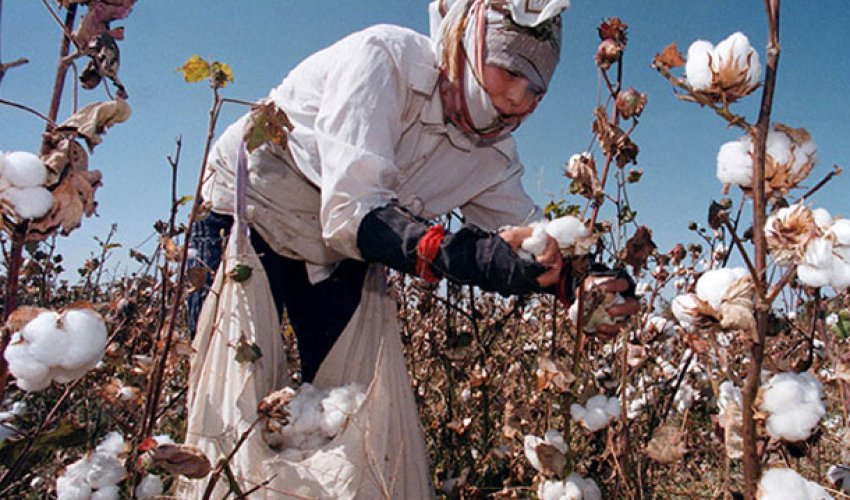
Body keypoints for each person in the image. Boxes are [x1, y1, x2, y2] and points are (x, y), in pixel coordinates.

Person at [188, 0, 638, 383]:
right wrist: (471, 257)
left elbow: (530, 237)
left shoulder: (495, 156)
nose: (520, 97)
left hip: (338, 251)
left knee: (339, 404)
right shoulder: (383, 60)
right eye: (508, 68)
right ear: (465, 41)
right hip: (249, 211)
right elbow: (353, 212)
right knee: (235, 383)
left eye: (537, 85)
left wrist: (584, 280)